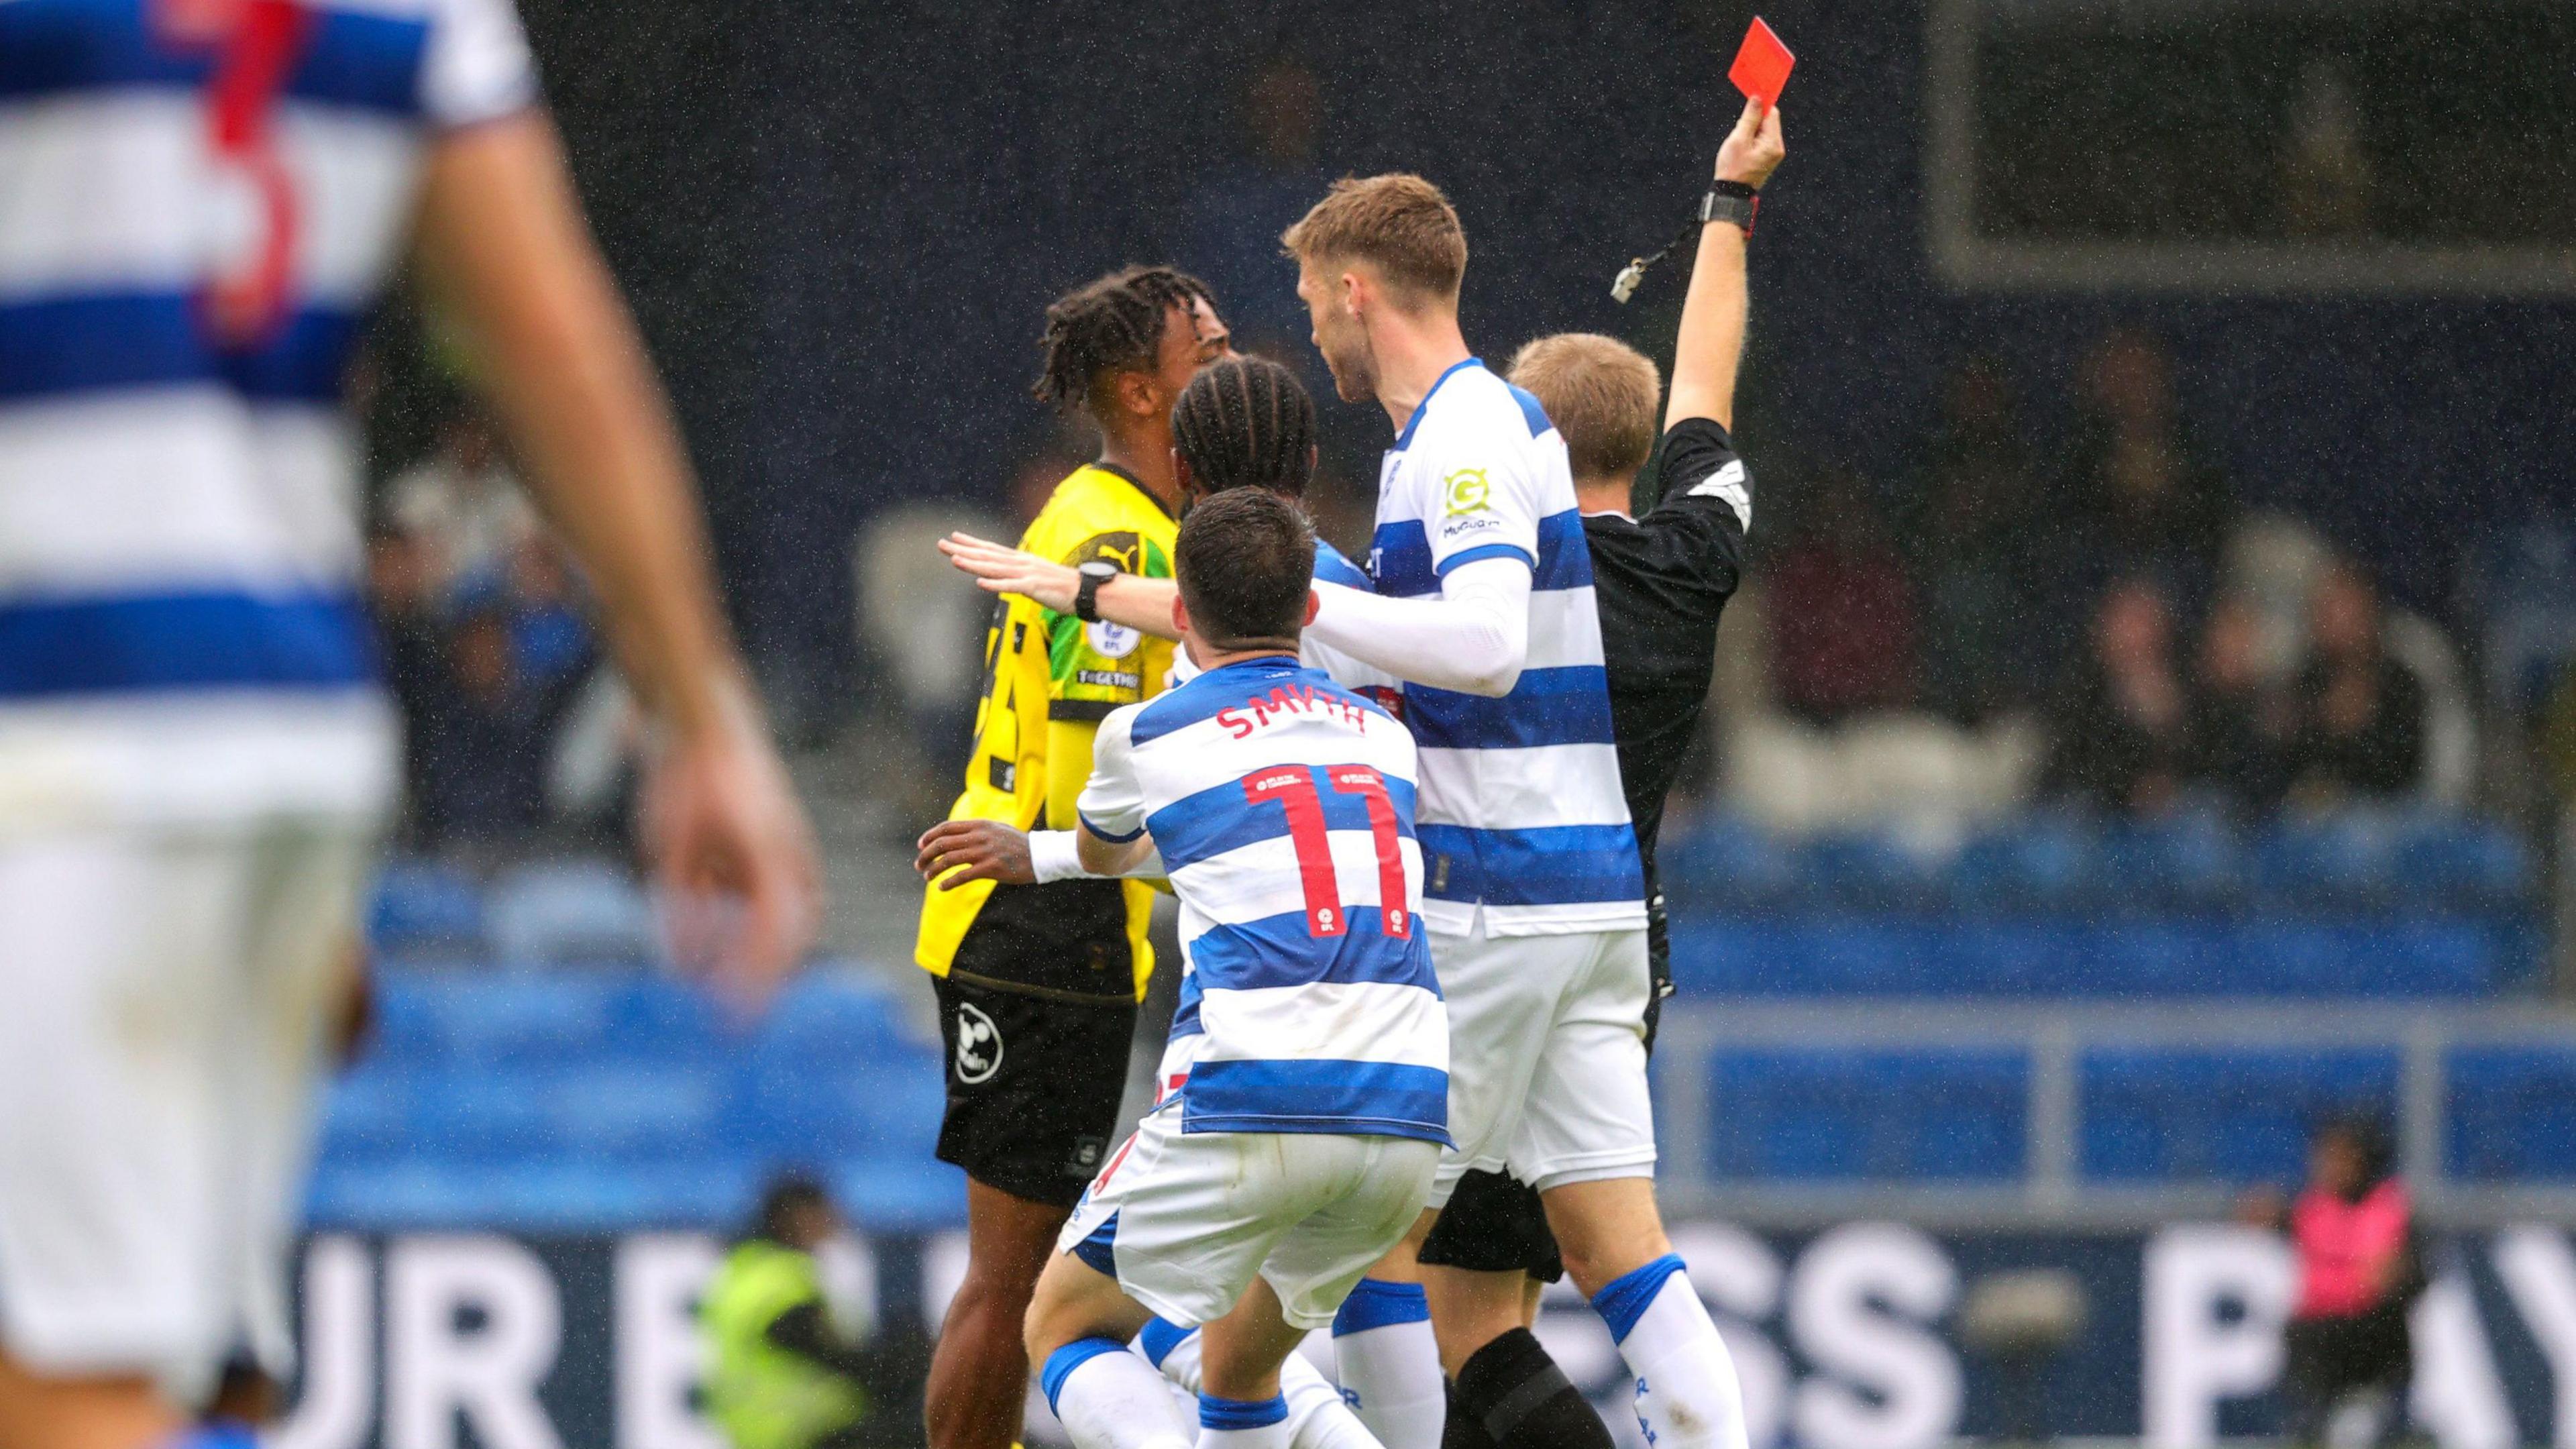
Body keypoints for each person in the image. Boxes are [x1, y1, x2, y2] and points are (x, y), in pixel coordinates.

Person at [0, 2, 822, 1444]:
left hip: (74, 716)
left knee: (59, 1384)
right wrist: (705, 717)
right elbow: (545, 329)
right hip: (281, 717)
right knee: (162, 1357)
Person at [947, 114, 1780, 1449]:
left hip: (1488, 907)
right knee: (1633, 1269)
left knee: (1299, 1308)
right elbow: (1300, 598)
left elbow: (1481, 645)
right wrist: (1120, 590)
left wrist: (1154, 598)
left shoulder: (1456, 436)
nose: (1309, 337)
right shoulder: (1475, 439)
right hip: (1596, 910)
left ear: (1352, 291)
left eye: (1305, 304)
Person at [1411, 93, 1784, 1449]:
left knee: (1456, 1320)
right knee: (1589, 1275)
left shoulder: (1494, 591)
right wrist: (1726, 210)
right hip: (1623, 945)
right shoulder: (1693, 558)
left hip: (1487, 941)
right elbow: (1705, 384)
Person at [1024, 486, 1450, 1449]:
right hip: (1408, 1112)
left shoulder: (1145, 731)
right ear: (1308, 610)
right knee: (1243, 1366)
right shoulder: (1386, 738)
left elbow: (1104, 855)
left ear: (1178, 612)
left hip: (1253, 1095)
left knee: (1064, 1324)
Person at [913, 266, 1234, 1449]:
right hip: (1039, 926)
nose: (1228, 351)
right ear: (1143, 392)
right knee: (1012, 1282)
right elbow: (1095, 770)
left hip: (1070, 927)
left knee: (1040, 1273)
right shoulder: (1111, 536)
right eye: (1205, 346)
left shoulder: (1145, 532)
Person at [2240, 1118, 2424, 1449]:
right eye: (2326, 1157)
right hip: (2318, 1338)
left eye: (2342, 1157)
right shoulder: (2309, 1205)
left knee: (2383, 1424)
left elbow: (2412, 1275)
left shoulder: (2389, 1206)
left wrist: (2398, 1274)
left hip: (2373, 1335)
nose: (2330, 1167)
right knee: (2310, 1423)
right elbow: (2263, 1211)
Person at [702, 1176, 910, 1449]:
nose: (834, 1222)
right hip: (804, 1435)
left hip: (767, 1436)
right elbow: (820, 1349)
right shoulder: (778, 1278)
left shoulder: (748, 1270)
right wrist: (900, 1375)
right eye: (823, 1212)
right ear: (797, 1216)